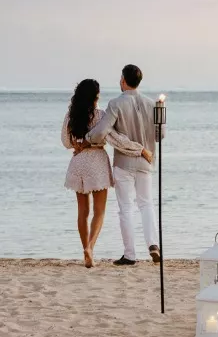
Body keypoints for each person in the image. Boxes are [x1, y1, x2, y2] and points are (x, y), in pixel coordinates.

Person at [61, 78, 152, 268]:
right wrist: (140, 149)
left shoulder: (71, 115)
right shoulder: (100, 115)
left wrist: (77, 145)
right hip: (97, 163)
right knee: (99, 211)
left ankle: (86, 250)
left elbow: (65, 141)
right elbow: (115, 139)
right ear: (94, 97)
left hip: (78, 163)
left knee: (82, 212)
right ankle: (90, 248)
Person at [82, 64, 161, 266]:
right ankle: (153, 244)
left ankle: (130, 254)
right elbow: (160, 135)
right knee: (146, 204)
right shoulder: (152, 104)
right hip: (145, 161)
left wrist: (87, 138)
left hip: (123, 163)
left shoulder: (116, 103)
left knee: (126, 208)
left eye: (120, 78)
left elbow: (102, 131)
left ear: (124, 80)